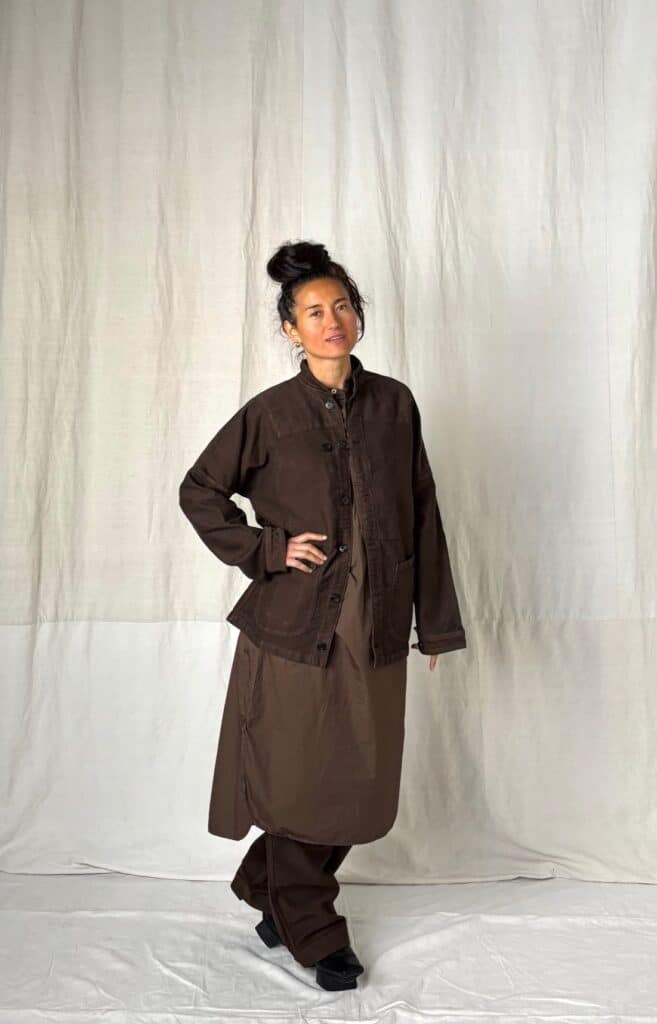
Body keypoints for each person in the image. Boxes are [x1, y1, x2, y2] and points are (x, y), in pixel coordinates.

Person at [178, 240, 467, 990]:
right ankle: (312, 926)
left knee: (358, 777)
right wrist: (266, 549)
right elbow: (199, 490)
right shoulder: (270, 414)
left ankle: (265, 884)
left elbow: (423, 510)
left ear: (358, 316)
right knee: (299, 776)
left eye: (341, 306)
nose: (330, 320)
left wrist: (435, 621)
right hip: (294, 625)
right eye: (313, 312)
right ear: (290, 328)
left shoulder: (395, 404)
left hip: (377, 621)